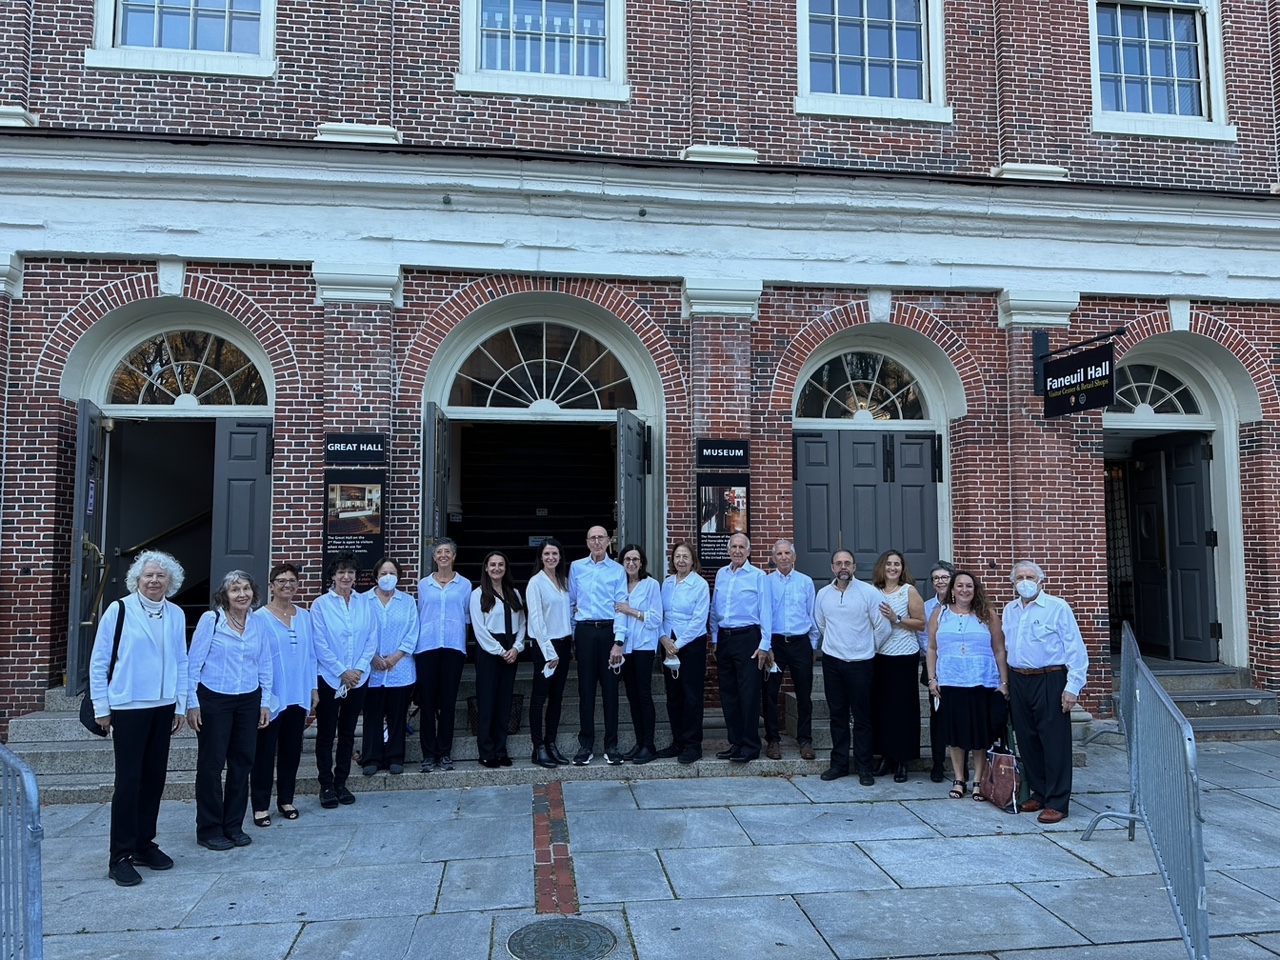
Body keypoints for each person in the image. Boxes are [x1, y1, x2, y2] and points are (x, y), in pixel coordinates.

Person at [89, 550, 189, 886]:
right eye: (149, 575)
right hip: (128, 707)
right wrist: (102, 708)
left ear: (170, 582)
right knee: (129, 782)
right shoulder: (119, 610)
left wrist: (179, 704)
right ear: (137, 579)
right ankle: (120, 855)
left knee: (154, 780)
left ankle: (144, 844)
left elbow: (182, 661)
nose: (155, 581)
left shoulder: (174, 614)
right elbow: (99, 661)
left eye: (161, 576)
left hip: (162, 707)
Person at [187, 570, 272, 851]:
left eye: (246, 588)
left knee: (242, 764)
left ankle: (233, 825)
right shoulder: (211, 621)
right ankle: (209, 829)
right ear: (225, 595)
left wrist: (265, 701)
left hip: (248, 699)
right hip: (214, 700)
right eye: (235, 589)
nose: (242, 594)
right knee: (211, 765)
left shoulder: (258, 623)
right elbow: (193, 664)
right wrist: (192, 703)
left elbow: (265, 664)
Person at [1002, 560, 1089, 824]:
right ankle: (1039, 792)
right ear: (1013, 583)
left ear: (1041, 581)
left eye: (1030, 576)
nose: (1025, 581)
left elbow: (1075, 649)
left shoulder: (1058, 608)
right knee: (1027, 740)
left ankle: (1058, 801)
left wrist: (1072, 687)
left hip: (1050, 678)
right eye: (1019, 577)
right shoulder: (1010, 610)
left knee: (1054, 742)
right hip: (1019, 680)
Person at [926, 570, 1009, 801]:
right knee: (956, 733)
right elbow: (931, 648)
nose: (964, 590)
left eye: (969, 586)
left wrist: (1004, 682)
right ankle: (959, 778)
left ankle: (978, 780)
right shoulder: (939, 614)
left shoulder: (987, 614)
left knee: (980, 734)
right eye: (960, 586)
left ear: (975, 590)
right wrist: (932, 678)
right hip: (951, 681)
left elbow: (1000, 650)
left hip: (982, 681)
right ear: (951, 590)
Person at [250, 563, 318, 828]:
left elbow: (311, 656)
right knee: (264, 753)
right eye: (281, 580)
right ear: (271, 586)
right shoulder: (259, 618)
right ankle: (260, 805)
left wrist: (312, 688)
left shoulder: (305, 616)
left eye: (292, 581)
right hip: (272, 697)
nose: (287, 585)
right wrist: (262, 698)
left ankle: (286, 799)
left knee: (292, 750)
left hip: (298, 694)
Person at [814, 550, 890, 785]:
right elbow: (821, 624)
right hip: (832, 662)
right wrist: (837, 646)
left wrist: (865, 647)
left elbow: (883, 627)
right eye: (839, 563)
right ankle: (839, 764)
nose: (843, 567)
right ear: (832, 568)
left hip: (861, 663)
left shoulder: (869, 593)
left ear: (855, 567)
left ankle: (864, 767)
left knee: (862, 717)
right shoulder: (823, 594)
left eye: (847, 563)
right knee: (837, 715)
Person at [311, 557, 376, 808]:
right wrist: (342, 671)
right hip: (331, 678)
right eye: (341, 573)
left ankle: (341, 782)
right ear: (333, 576)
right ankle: (326, 785)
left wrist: (358, 669)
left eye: (350, 572)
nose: (346, 577)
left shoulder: (364, 603)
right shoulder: (321, 605)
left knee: (348, 732)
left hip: (358, 679)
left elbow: (371, 637)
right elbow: (320, 643)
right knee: (326, 733)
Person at [710, 533, 773, 764]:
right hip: (725, 640)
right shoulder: (721, 574)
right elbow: (715, 608)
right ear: (728, 550)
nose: (737, 551)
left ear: (748, 551)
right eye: (733, 547)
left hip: (748, 639)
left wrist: (764, 645)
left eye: (741, 547)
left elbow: (766, 611)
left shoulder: (758, 576)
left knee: (748, 694)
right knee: (728, 694)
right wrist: (715, 639)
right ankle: (735, 742)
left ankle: (750, 745)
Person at [568, 525, 628, 766]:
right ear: (587, 541)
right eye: (592, 538)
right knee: (586, 691)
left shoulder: (617, 570)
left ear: (608, 541)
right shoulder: (576, 567)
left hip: (608, 632)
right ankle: (586, 745)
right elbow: (571, 601)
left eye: (600, 538)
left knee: (611, 691)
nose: (596, 542)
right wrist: (573, 638)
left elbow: (621, 604)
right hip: (584, 632)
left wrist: (619, 642)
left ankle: (611, 746)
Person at [870, 549, 927, 782]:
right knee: (881, 708)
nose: (893, 568)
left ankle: (903, 760)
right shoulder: (873, 592)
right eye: (889, 564)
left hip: (904, 656)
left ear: (902, 568)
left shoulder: (908, 591)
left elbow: (921, 623)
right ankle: (885, 755)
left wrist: (896, 618)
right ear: (882, 567)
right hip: (879, 655)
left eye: (897, 564)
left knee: (903, 709)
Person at [414, 537, 470, 772]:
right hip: (427, 646)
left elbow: (466, 615)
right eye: (439, 552)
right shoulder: (423, 585)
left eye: (448, 551)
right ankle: (428, 754)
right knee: (427, 702)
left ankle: (444, 753)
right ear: (434, 557)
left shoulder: (465, 585)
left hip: (453, 646)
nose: (443, 555)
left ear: (454, 556)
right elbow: (419, 612)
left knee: (448, 702)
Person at [361, 558, 418, 777]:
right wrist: (372, 657)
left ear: (398, 576)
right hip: (371, 667)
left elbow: (413, 631)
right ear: (376, 576)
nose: (387, 577)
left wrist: (396, 657)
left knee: (397, 715)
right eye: (383, 573)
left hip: (400, 668)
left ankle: (395, 757)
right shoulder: (363, 601)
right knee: (372, 715)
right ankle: (371, 757)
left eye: (391, 573)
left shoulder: (407, 601)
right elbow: (359, 631)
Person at [470, 551, 527, 768]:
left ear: (505, 568)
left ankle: (501, 750)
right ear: (486, 568)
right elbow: (479, 628)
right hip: (489, 651)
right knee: (487, 701)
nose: (496, 568)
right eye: (492, 564)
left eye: (500, 564)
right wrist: (499, 650)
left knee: (504, 702)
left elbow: (522, 623)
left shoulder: (514, 593)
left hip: (511, 651)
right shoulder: (478, 595)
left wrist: (517, 647)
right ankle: (486, 751)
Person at [763, 539, 819, 761]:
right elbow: (763, 615)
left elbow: (812, 614)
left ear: (794, 557)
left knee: (804, 694)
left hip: (800, 643)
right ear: (774, 558)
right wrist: (765, 646)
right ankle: (773, 740)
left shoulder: (806, 582)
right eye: (779, 554)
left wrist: (813, 645)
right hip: (775, 645)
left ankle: (805, 740)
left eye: (787, 553)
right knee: (769, 693)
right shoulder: (765, 582)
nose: (784, 557)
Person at [657, 540, 710, 764]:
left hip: (690, 647)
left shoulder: (699, 585)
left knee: (692, 697)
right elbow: (658, 613)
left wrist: (677, 644)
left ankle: (692, 745)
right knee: (674, 696)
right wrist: (663, 638)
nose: (681, 561)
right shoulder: (667, 583)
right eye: (677, 556)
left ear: (692, 560)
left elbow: (699, 620)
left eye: (685, 557)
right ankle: (677, 741)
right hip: (667, 644)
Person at [616, 544, 663, 765]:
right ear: (622, 562)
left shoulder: (651, 585)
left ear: (642, 562)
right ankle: (639, 742)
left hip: (644, 646)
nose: (631, 563)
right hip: (625, 647)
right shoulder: (619, 585)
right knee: (632, 696)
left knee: (644, 694)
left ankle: (649, 745)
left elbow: (655, 619)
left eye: (635, 559)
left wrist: (630, 611)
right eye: (627, 560)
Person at [526, 538, 571, 768]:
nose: (551, 557)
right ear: (541, 557)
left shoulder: (563, 581)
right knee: (540, 697)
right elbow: (535, 620)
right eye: (546, 554)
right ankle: (538, 748)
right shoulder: (535, 582)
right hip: (545, 647)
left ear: (560, 556)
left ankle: (551, 743)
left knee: (557, 697)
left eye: (555, 553)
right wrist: (549, 652)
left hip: (563, 644)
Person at [918, 561, 957, 783]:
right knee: (937, 718)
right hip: (935, 667)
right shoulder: (927, 607)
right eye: (936, 578)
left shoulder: (964, 604)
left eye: (944, 577)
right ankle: (938, 763)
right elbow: (923, 637)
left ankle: (960, 762)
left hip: (959, 669)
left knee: (959, 716)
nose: (940, 582)